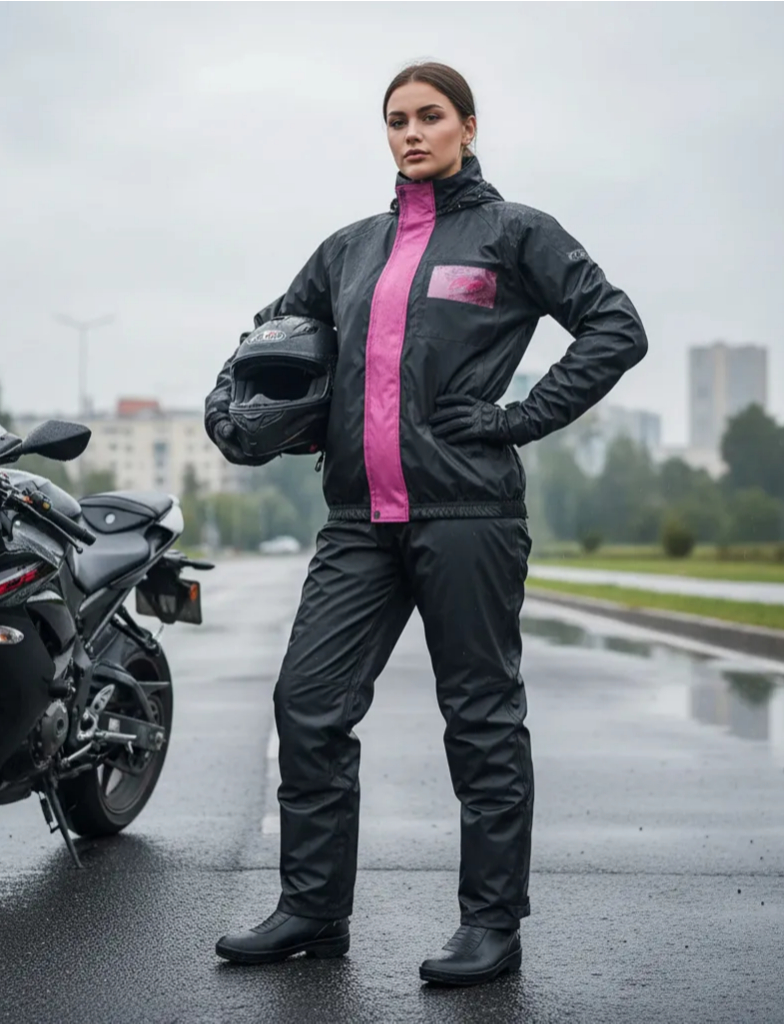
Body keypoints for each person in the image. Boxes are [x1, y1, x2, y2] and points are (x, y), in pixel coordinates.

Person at [204, 61, 647, 986]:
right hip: (358, 521)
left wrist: (515, 417)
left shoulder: (514, 234)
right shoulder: (348, 250)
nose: (412, 132)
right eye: (397, 119)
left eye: (431, 117)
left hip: (468, 514)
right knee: (308, 706)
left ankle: (491, 926)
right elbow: (269, 340)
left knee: (480, 719)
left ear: (468, 128)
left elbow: (614, 327)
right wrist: (232, 410)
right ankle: (312, 913)